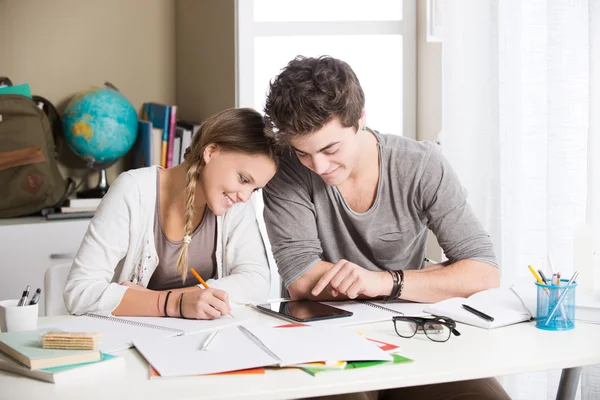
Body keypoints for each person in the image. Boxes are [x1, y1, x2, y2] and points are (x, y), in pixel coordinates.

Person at [262, 56, 510, 399]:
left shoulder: (421, 165)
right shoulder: (287, 173)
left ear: (360, 119)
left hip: (415, 331)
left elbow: (483, 274)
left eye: (330, 148)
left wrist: (383, 281)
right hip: (322, 337)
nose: (318, 166)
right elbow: (302, 280)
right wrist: (431, 280)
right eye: (303, 153)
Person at [64, 108, 278, 320]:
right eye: (243, 179)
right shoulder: (133, 190)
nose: (246, 196)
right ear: (211, 151)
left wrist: (154, 298)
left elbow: (257, 281)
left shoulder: (235, 205)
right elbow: (80, 292)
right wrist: (174, 304)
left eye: (255, 189)